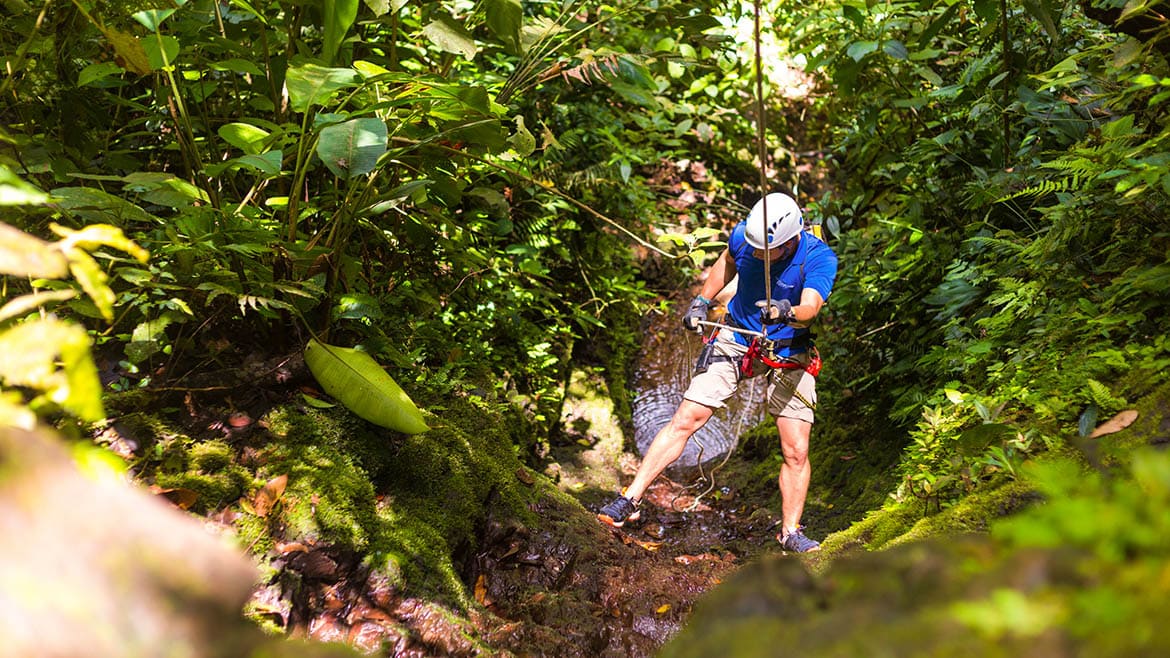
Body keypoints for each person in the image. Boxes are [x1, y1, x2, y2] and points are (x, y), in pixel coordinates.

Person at [598, 192, 838, 553]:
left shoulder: (818, 258)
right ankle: (629, 499)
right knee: (686, 417)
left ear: (789, 242)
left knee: (795, 449)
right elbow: (728, 261)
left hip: (790, 347)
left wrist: (786, 311)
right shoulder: (746, 236)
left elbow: (812, 306)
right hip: (738, 336)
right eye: (754, 247)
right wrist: (702, 301)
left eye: (765, 250)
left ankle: (790, 532)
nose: (756, 254)